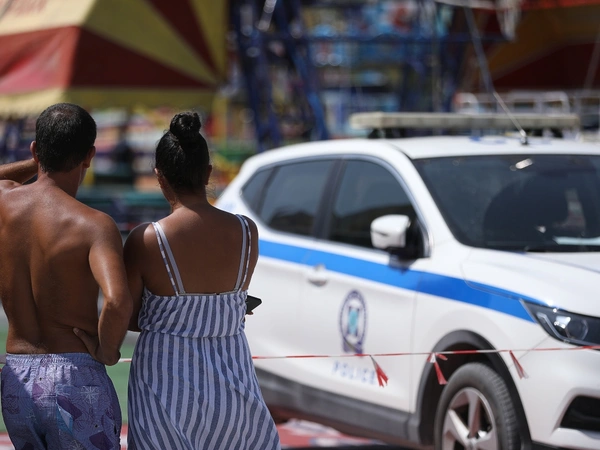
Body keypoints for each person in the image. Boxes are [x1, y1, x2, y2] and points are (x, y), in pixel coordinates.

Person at [122, 112, 281, 449]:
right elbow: (234, 300)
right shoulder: (246, 231)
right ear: (208, 173)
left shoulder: (147, 239)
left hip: (164, 381)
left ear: (159, 176)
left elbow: (130, 317)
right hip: (233, 376)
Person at [0, 103, 133, 449]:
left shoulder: (4, 204)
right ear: (89, 156)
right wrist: (107, 350)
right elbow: (117, 301)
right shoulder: (94, 224)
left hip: (17, 378)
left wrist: (39, 160)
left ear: (34, 150)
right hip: (75, 378)